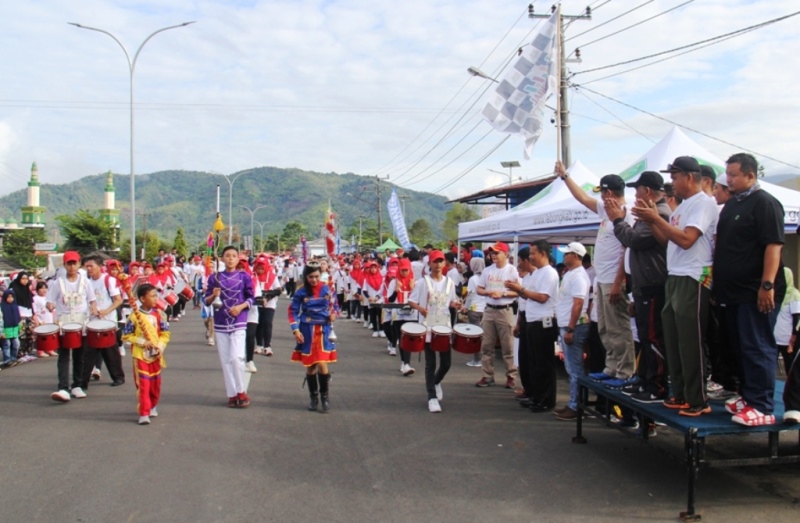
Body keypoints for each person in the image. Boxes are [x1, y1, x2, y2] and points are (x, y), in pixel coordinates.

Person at [632, 156, 718, 417]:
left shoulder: (704, 204)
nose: (672, 183)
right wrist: (652, 219)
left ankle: (698, 399)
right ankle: (680, 393)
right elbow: (665, 240)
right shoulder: (682, 207)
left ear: (689, 177)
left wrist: (656, 219)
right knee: (674, 339)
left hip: (694, 276)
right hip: (675, 275)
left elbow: (687, 240)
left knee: (690, 341)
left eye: (674, 177)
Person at [714, 153, 786, 426]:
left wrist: (766, 285)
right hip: (731, 292)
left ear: (750, 175)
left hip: (754, 291)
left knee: (757, 346)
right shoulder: (732, 205)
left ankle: (763, 406)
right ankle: (747, 395)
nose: (728, 179)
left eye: (733, 175)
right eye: (727, 174)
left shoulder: (765, 203)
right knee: (738, 346)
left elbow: (773, 245)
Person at [556, 161, 636, 386]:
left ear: (610, 193)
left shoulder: (626, 215)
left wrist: (618, 281)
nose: (600, 198)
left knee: (619, 327)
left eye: (603, 193)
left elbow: (626, 250)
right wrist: (565, 177)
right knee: (605, 327)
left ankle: (625, 371)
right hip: (602, 279)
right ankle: (612, 367)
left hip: (613, 281)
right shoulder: (606, 210)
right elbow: (582, 198)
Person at [606, 171, 670, 403]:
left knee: (653, 337)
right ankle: (644, 378)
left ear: (648, 191)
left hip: (654, 283)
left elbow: (634, 239)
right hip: (645, 284)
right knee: (644, 336)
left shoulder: (659, 213)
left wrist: (617, 220)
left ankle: (657, 385)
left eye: (638, 190)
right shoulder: (650, 214)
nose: (635, 195)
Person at [506, 240, 560, 412]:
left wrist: (520, 290)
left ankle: (547, 399)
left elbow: (542, 297)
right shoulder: (537, 273)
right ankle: (536, 396)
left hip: (543, 321)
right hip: (532, 320)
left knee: (544, 363)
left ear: (543, 254)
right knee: (534, 363)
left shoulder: (549, 273)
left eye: (533, 254)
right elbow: (528, 296)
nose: (530, 257)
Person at [204, 246, 256, 408]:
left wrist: (240, 308)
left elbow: (251, 298)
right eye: (227, 256)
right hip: (220, 321)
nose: (231, 258)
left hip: (239, 320)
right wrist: (214, 295)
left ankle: (241, 391)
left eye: (234, 256)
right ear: (222, 258)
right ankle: (232, 395)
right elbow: (206, 301)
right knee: (225, 360)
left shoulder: (244, 276)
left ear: (237, 259)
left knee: (236, 357)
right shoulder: (215, 278)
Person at [408, 250, 458, 413]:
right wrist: (421, 309)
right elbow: (411, 300)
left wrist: (455, 305)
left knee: (446, 363)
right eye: (435, 261)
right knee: (431, 363)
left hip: (444, 326)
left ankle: (436, 382)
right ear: (429, 263)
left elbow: (451, 301)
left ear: (445, 264)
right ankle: (431, 397)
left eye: (440, 261)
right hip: (428, 327)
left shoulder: (449, 283)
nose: (438, 265)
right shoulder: (423, 282)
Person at [47, 251, 100, 402]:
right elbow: (50, 300)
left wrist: (95, 309)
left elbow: (92, 300)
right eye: (68, 263)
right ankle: (63, 387)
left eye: (74, 263)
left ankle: (77, 385)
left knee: (79, 355)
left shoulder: (85, 282)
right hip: (64, 322)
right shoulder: (58, 283)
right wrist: (50, 305)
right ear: (64, 265)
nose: (71, 266)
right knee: (63, 356)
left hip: (80, 323)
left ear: (79, 264)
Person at [290, 263, 337, 412]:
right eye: (311, 277)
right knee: (310, 366)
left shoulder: (327, 288)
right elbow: (292, 311)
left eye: (317, 276)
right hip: (307, 329)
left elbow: (335, 305)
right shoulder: (300, 292)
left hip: (324, 329)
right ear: (306, 277)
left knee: (322, 363)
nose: (314, 280)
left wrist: (334, 313)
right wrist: (295, 330)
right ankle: (313, 397)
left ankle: (325, 397)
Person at [552, 242, 591, 421]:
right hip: (568, 325)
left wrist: (570, 328)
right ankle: (574, 403)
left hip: (574, 326)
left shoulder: (578, 277)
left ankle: (577, 406)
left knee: (575, 368)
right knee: (571, 367)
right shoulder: (571, 274)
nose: (564, 256)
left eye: (567, 253)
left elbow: (578, 303)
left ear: (575, 256)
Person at [121, 284, 170, 425]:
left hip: (156, 356)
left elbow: (165, 334)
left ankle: (152, 405)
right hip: (140, 355)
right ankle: (144, 412)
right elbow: (126, 336)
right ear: (142, 298)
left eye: (156, 295)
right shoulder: (135, 316)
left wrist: (159, 346)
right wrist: (142, 341)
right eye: (152, 296)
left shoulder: (160, 315)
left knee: (155, 384)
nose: (156, 299)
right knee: (144, 384)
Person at [475, 242, 520, 389]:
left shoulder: (512, 271)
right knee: (487, 345)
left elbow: (519, 291)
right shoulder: (488, 270)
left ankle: (511, 376)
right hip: (489, 309)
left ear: (505, 254)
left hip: (505, 309)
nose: (493, 255)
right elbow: (479, 289)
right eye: (492, 253)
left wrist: (503, 293)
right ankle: (487, 375)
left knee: (508, 345)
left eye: (496, 252)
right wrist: (489, 292)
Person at [83, 255, 126, 387]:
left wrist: (106, 311)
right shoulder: (86, 281)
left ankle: (118, 377)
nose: (88, 269)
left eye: (91, 266)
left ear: (100, 267)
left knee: (110, 351)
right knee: (88, 352)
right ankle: (82, 381)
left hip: (107, 321)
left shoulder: (108, 280)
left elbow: (118, 300)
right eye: (87, 266)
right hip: (91, 321)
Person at [388, 258, 417, 375]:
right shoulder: (393, 282)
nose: (405, 272)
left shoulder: (415, 281)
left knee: (409, 339)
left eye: (407, 270)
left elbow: (417, 299)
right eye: (402, 270)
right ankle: (404, 362)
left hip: (411, 315)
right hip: (398, 315)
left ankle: (406, 363)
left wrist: (412, 288)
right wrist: (396, 290)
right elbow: (390, 300)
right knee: (401, 339)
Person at [253, 257, 281, 357]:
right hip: (256, 303)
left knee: (267, 323)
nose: (260, 270)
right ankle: (259, 345)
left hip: (270, 303)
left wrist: (267, 296)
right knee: (258, 323)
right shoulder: (253, 276)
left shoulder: (272, 276)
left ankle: (267, 346)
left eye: (262, 268)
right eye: (258, 268)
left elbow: (278, 290)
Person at [462, 256, 486, 367]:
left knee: (476, 335)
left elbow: (470, 295)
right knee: (486, 335)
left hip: (474, 309)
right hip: (486, 308)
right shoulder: (487, 276)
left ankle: (477, 359)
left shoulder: (473, 279)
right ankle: (485, 359)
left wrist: (465, 306)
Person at [1, 289, 21, 366]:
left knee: (16, 344)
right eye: (8, 297)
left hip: (14, 328)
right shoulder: (2, 306)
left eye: (12, 297)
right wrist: (1, 332)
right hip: (6, 329)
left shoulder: (15, 306)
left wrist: (19, 328)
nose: (10, 298)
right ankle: (7, 360)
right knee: (7, 345)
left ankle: (13, 358)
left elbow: (18, 318)